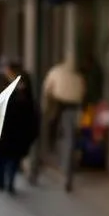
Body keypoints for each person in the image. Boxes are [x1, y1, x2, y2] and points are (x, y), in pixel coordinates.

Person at [0, 58, 39, 194]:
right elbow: (30, 102)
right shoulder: (22, 79)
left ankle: (3, 180)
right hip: (15, 122)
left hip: (7, 122)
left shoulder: (3, 79)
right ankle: (8, 179)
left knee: (3, 154)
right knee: (10, 154)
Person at [40, 53, 86, 191]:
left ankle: (50, 163)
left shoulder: (55, 72)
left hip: (58, 107)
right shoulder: (78, 76)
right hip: (75, 109)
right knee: (70, 140)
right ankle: (68, 172)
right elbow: (83, 93)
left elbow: (46, 89)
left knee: (55, 136)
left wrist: (45, 108)